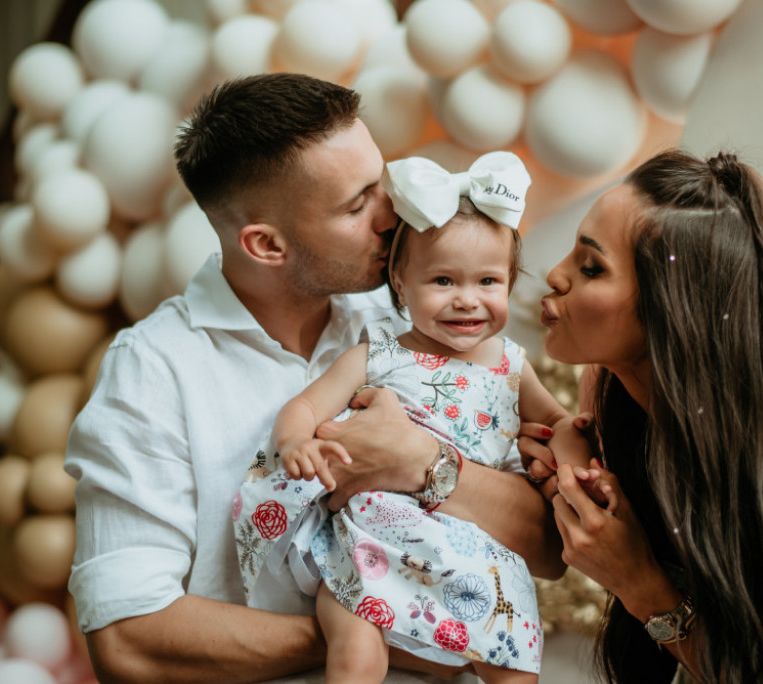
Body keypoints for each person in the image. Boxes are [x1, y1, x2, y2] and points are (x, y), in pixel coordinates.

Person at [64, 73, 563, 684]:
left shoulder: (423, 314)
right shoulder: (154, 369)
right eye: (357, 205)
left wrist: (423, 462)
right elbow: (128, 642)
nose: (394, 214)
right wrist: (396, 632)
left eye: (381, 185)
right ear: (266, 245)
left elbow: (549, 550)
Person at [527, 149, 763, 683]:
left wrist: (640, 584)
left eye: (591, 267)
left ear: (671, 307)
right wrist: (570, 457)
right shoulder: (603, 391)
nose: (556, 275)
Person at [236, 151, 573, 684]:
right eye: (443, 281)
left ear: (510, 281)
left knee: (513, 666)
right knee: (355, 653)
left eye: (488, 281)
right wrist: (297, 441)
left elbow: (557, 421)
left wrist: (575, 441)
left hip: (476, 547)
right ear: (400, 280)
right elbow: (305, 406)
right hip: (373, 539)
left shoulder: (511, 365)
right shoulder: (380, 354)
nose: (467, 300)